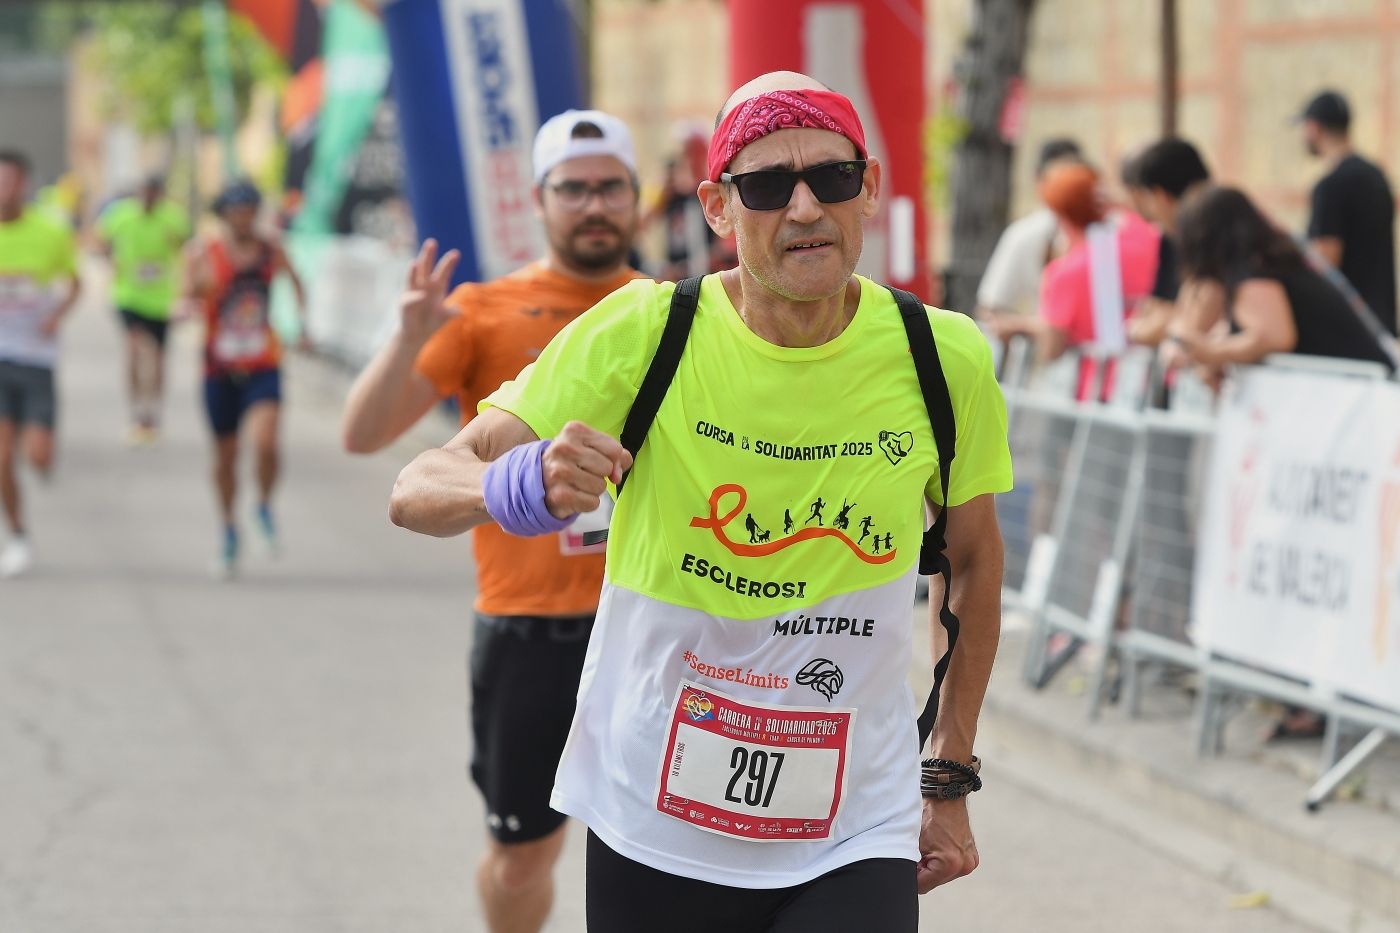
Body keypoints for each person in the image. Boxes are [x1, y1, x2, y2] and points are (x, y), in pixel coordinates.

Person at [387, 71, 1012, 932]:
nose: (804, 208)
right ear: (717, 207)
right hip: (656, 814)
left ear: (868, 188)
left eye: (831, 177)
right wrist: (519, 482)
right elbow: (418, 486)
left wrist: (947, 771)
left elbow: (972, 561)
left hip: (852, 819)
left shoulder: (942, 356)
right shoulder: (646, 331)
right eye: (766, 186)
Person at [341, 109, 642, 933]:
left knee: (671, 859)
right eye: (573, 189)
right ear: (538, 201)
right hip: (530, 629)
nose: (594, 205)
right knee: (521, 862)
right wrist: (406, 339)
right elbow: (365, 434)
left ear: (636, 197)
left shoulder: (674, 314)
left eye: (610, 186)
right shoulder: (484, 309)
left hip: (655, 626)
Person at [183, 179, 306, 577]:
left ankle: (264, 505)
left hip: (262, 363)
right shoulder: (203, 252)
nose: (242, 218)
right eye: (235, 211)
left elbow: (297, 282)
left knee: (266, 442)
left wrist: (302, 327)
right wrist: (191, 297)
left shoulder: (271, 250)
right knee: (226, 456)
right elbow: (185, 294)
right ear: (223, 214)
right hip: (219, 368)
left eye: (249, 210)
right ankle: (228, 528)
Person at [1171, 185, 1394, 377]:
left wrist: (1212, 354)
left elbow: (1274, 337)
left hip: (1359, 390)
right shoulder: (1270, 264)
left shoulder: (1255, 274)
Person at [0, 150, 81, 578]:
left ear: (24, 184)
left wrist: (56, 316)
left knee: (38, 456)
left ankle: (43, 461)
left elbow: (75, 283)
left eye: (9, 181)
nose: (3, 190)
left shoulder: (50, 232)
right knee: (1, 458)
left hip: (35, 358)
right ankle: (18, 534)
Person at [96, 174, 190, 443]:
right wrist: (111, 261)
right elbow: (100, 239)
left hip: (161, 297)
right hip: (129, 294)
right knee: (134, 349)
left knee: (158, 357)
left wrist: (183, 290)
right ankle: (136, 410)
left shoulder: (174, 217)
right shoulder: (120, 215)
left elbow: (185, 250)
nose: (148, 198)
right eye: (144, 192)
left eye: (153, 193)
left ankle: (153, 411)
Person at [1299, 89, 1397, 335]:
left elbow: (1325, 266)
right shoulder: (1377, 176)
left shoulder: (1330, 186)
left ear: (1313, 128)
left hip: (1349, 329)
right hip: (1381, 321)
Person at [974, 137, 1081, 325]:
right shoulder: (1025, 234)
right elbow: (990, 307)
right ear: (1039, 182)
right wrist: (1032, 327)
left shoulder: (1105, 232)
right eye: (1058, 181)